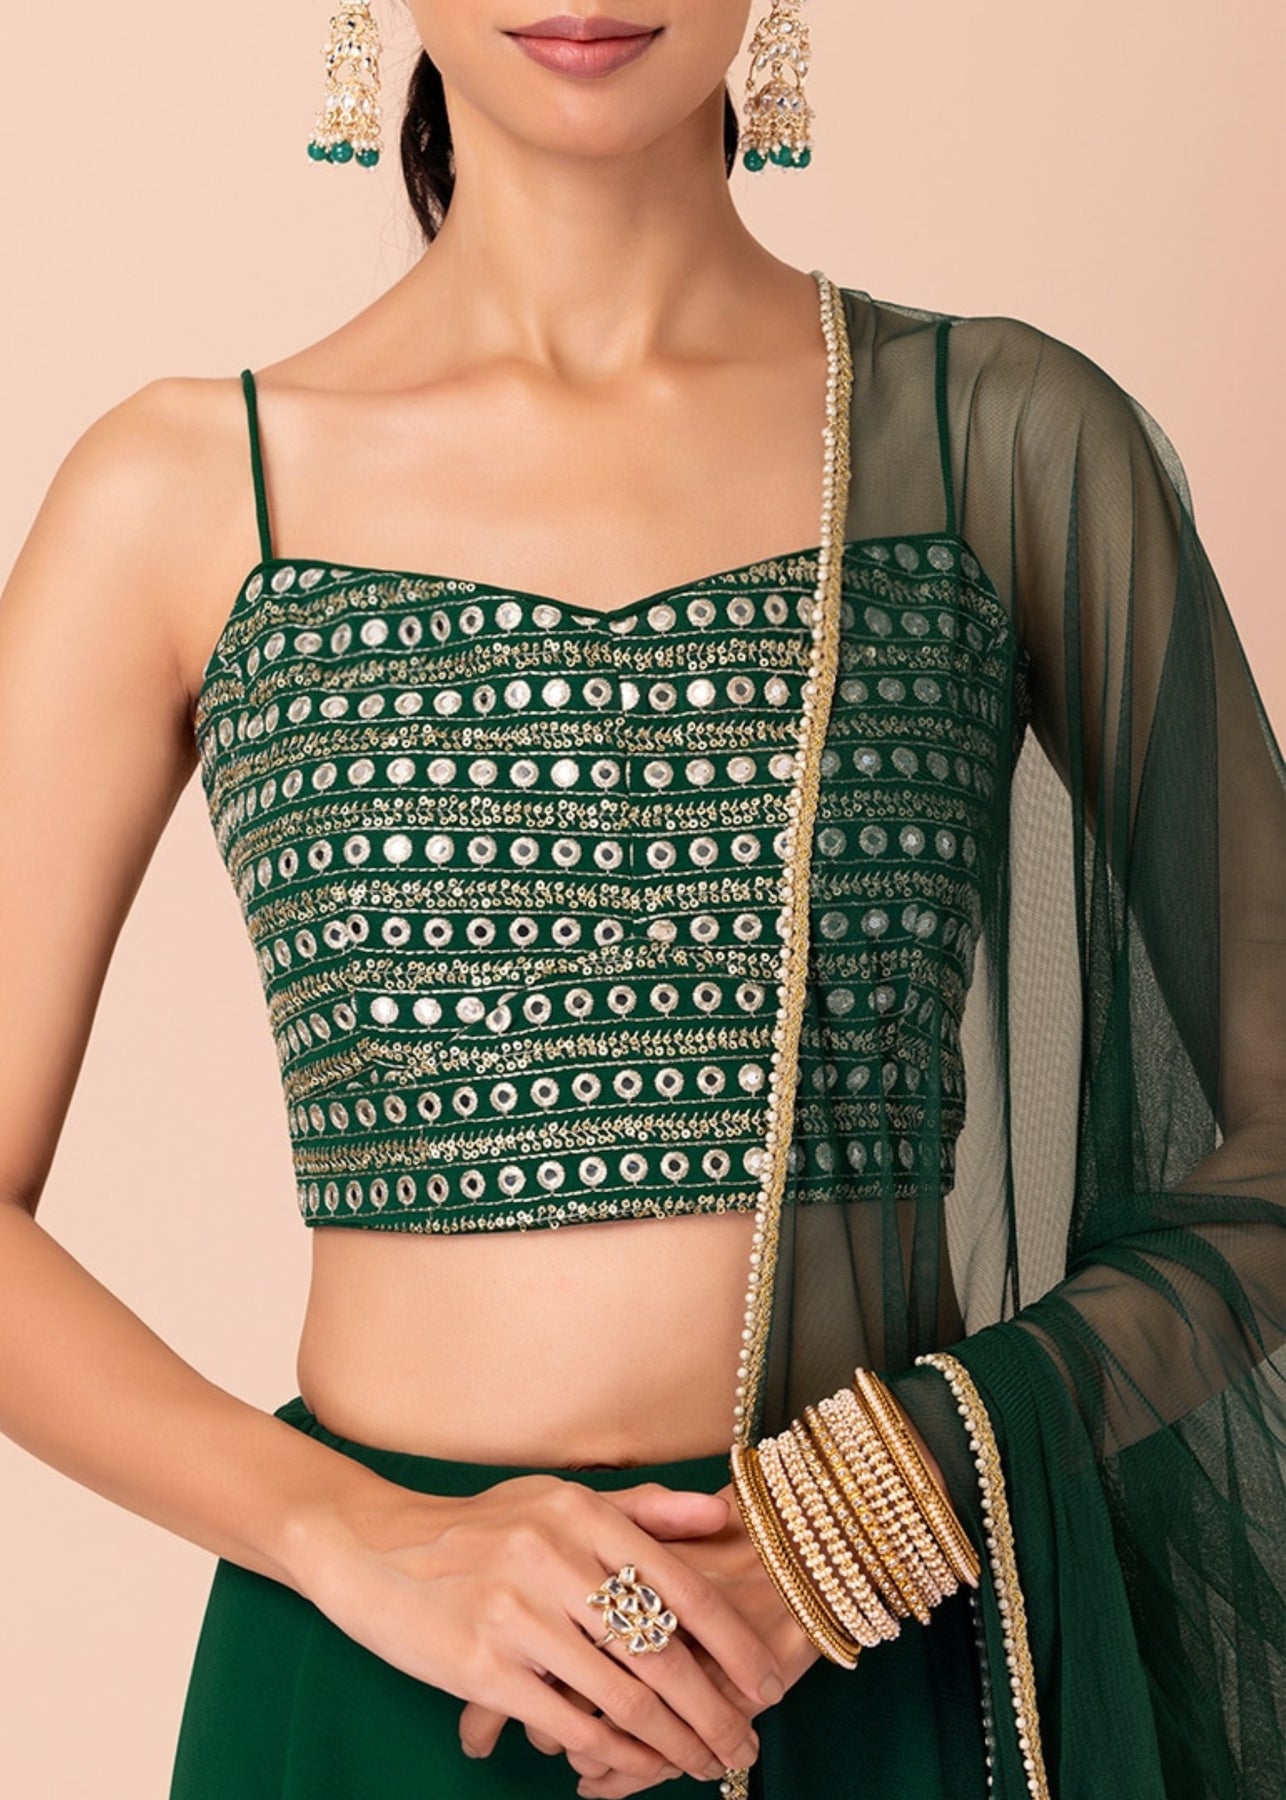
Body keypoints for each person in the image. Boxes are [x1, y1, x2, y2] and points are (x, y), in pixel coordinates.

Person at [0, 4, 1280, 1797]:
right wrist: (353, 1537)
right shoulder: (184, 492)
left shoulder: (991, 436)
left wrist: (865, 1514)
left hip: (880, 1651)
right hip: (377, 1683)